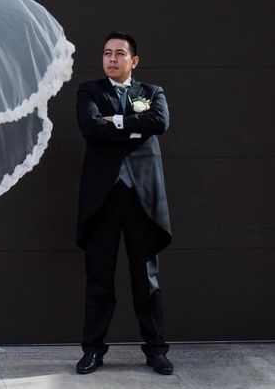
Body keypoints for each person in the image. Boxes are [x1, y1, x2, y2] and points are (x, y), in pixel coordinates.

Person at [75, 31, 173, 375]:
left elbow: (159, 121)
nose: (111, 59)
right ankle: (92, 350)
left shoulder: (152, 92)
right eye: (106, 53)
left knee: (147, 279)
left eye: (119, 54)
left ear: (134, 61)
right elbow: (90, 127)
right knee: (98, 277)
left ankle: (156, 349)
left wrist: (115, 122)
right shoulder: (89, 91)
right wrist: (134, 128)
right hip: (103, 198)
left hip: (140, 198)